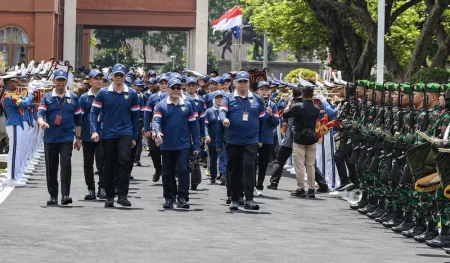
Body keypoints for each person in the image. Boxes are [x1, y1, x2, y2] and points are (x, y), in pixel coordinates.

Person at [90, 63, 140, 208]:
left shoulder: (131, 94)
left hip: (125, 131)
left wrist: (134, 136)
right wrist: (94, 130)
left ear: (125, 76)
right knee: (108, 164)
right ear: (111, 76)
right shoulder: (103, 93)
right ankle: (110, 195)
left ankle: (123, 195)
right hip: (108, 133)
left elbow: (136, 117)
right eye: (116, 75)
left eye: (121, 75)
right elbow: (94, 113)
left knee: (124, 160)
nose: (118, 77)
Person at [218, 71, 265, 210]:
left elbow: (262, 121)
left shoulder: (257, 99)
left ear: (249, 83)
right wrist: (224, 119)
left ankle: (249, 199)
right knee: (233, 169)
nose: (243, 84)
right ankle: (234, 198)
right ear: (235, 83)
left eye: (245, 82)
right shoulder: (228, 98)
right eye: (240, 82)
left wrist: (260, 138)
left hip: (251, 140)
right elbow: (221, 111)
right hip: (233, 140)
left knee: (249, 167)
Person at [152, 77, 200, 209]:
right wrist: (157, 132)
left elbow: (194, 127)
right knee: (167, 172)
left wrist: (196, 145)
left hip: (183, 144)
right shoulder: (160, 105)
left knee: (183, 170)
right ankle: (169, 198)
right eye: (173, 88)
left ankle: (183, 197)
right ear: (167, 89)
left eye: (178, 88)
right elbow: (156, 121)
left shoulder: (188, 105)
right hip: (167, 144)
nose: (176, 90)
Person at [37, 69, 82, 205]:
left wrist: (78, 138)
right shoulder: (47, 98)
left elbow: (78, 120)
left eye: (63, 80)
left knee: (66, 165)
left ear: (66, 82)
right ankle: (53, 196)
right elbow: (40, 114)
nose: (60, 83)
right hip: (50, 138)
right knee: (51, 167)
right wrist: (42, 123)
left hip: (67, 137)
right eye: (58, 80)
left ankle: (65, 195)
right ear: (54, 81)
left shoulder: (74, 98)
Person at [283, 85, 320, 198]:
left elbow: (285, 115)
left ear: (302, 95)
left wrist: (289, 104)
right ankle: (311, 188)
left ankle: (300, 188)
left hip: (299, 138)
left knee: (299, 164)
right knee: (310, 165)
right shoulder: (316, 108)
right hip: (312, 138)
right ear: (312, 96)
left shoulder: (297, 106)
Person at [1, 72, 36, 187]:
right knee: (15, 151)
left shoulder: (12, 94)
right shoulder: (9, 95)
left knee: (18, 150)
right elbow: (25, 104)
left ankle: (17, 174)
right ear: (10, 83)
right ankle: (12, 178)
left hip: (17, 124)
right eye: (15, 81)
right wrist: (31, 93)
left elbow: (23, 99)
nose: (17, 83)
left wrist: (28, 93)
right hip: (14, 124)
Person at [79, 69, 105, 200]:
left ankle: (102, 187)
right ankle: (91, 188)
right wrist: (78, 136)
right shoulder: (84, 98)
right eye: (96, 78)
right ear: (90, 81)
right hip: (88, 134)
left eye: (101, 78)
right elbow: (80, 117)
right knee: (88, 163)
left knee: (102, 161)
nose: (99, 81)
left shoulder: (106, 95)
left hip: (103, 133)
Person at [143, 75, 170, 182]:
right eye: (162, 83)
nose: (164, 85)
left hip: (168, 129)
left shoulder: (173, 96)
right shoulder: (153, 97)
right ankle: (158, 169)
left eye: (166, 83)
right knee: (154, 151)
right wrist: (146, 128)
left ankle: (168, 171)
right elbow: (147, 113)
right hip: (154, 128)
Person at [255, 81, 279, 196]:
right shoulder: (253, 102)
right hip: (254, 138)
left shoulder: (272, 105)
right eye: (262, 89)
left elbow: (276, 122)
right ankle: (250, 185)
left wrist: (270, 114)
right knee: (252, 163)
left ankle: (259, 186)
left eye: (266, 89)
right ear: (257, 90)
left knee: (263, 164)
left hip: (267, 139)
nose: (264, 91)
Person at [205, 91, 225, 183]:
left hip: (223, 138)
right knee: (213, 158)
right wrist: (206, 135)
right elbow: (205, 125)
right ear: (214, 99)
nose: (219, 100)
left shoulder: (225, 110)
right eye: (217, 98)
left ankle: (223, 175)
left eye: (221, 98)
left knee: (223, 157)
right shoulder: (209, 111)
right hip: (212, 138)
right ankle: (213, 176)